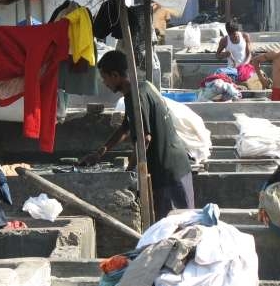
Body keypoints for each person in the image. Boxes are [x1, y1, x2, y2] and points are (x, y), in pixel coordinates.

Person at [79, 50, 194, 221]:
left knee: (173, 227)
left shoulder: (135, 96)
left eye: (105, 78)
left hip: (166, 171)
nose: (104, 83)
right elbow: (125, 127)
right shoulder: (143, 87)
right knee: (183, 223)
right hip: (178, 165)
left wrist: (129, 171)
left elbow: (144, 139)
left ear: (115, 75)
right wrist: (100, 152)